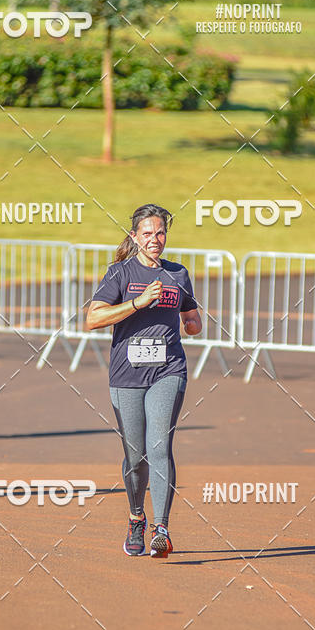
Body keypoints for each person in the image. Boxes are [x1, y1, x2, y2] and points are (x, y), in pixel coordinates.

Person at [86, 204, 202, 558]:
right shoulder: (119, 273)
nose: (156, 239)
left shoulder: (178, 274)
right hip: (127, 375)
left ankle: (161, 528)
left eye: (161, 233)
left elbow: (192, 318)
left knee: (159, 447)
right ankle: (136, 517)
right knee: (136, 457)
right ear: (135, 237)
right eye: (148, 233)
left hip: (168, 371)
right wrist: (137, 303)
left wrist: (192, 324)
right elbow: (92, 318)